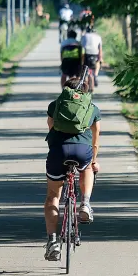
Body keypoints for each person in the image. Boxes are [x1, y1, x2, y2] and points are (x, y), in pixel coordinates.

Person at [44, 77, 101, 261]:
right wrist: (94, 160)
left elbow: (51, 127)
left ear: (65, 90)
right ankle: (85, 203)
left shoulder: (55, 105)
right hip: (82, 151)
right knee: (87, 168)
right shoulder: (92, 108)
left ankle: (53, 242)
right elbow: (96, 137)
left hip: (58, 152)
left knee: (53, 196)